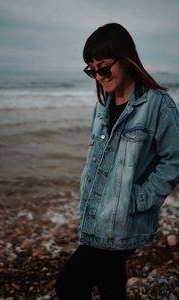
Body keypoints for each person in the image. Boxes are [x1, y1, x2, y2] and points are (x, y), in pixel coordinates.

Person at [55, 23, 179, 300]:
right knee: (109, 280)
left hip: (126, 219)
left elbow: (174, 159)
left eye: (104, 67)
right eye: (91, 69)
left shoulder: (158, 104)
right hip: (96, 216)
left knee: (69, 285)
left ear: (126, 59)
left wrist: (140, 199)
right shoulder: (102, 105)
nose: (98, 76)